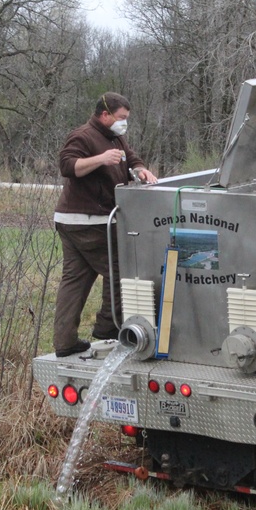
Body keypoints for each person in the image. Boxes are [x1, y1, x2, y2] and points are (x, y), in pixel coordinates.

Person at [52, 92, 158, 357]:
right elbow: (67, 165)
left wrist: (141, 170)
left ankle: (65, 342)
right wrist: (100, 159)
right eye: (121, 118)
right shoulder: (83, 136)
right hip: (88, 221)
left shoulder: (115, 137)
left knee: (75, 281)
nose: (124, 123)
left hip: (71, 220)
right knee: (122, 269)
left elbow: (130, 158)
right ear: (105, 115)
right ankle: (108, 326)